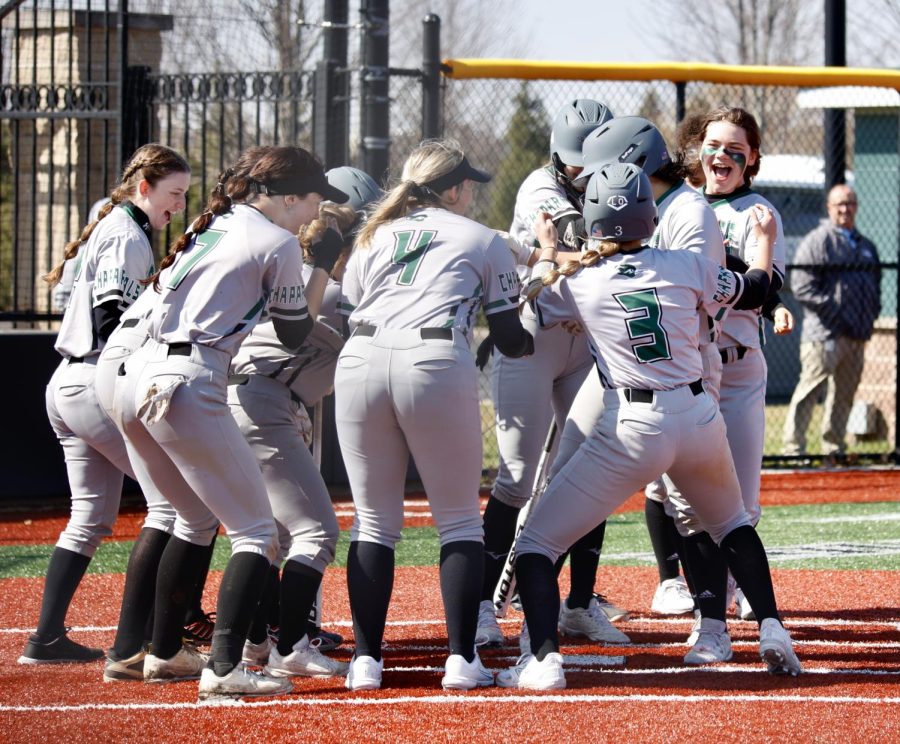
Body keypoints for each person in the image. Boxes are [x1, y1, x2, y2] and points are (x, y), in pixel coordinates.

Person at [496, 162, 801, 690]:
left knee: (536, 546)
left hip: (633, 424)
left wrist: (547, 249)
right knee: (733, 526)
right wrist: (766, 242)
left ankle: (543, 661)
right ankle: (773, 631)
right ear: (649, 212)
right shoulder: (688, 265)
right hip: (699, 414)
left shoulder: (580, 277)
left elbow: (528, 310)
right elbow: (753, 289)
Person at [111, 145, 348, 701]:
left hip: (136, 370)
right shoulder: (279, 239)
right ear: (289, 197)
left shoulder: (215, 220)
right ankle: (224, 668)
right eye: (314, 199)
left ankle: (163, 652)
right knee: (257, 531)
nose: (316, 211)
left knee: (188, 518)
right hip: (188, 375)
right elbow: (293, 333)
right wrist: (317, 266)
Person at [335, 138, 534, 691]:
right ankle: (461, 659)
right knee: (460, 521)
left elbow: (350, 306)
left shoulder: (372, 235)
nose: (470, 191)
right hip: (433, 359)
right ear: (451, 189)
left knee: (373, 522)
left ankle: (366, 662)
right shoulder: (482, 238)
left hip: (360, 360)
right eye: (467, 183)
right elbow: (512, 339)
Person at [18, 144, 191, 665]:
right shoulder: (125, 231)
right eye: (174, 193)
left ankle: (46, 639)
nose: (180, 205)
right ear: (144, 187)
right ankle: (153, 637)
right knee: (182, 502)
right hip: (94, 381)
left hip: (68, 383)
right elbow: (111, 316)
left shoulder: (114, 222)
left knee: (91, 517)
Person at [476, 99, 630, 651]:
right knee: (516, 477)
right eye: (576, 160)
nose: (581, 170)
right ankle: (480, 606)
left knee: (592, 471)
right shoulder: (539, 185)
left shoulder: (615, 178)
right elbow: (572, 237)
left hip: (586, 342)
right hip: (533, 340)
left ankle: (580, 606)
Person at [560, 115, 727, 621]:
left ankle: (712, 621)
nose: (596, 189)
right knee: (568, 475)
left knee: (692, 505)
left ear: (632, 163)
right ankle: (567, 602)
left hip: (679, 368)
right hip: (627, 364)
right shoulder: (659, 206)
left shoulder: (688, 212)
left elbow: (693, 300)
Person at [231, 170, 382, 677]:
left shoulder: (286, 271)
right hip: (266, 402)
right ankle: (292, 643)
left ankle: (257, 641)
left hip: (251, 399)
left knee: (267, 536)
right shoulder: (331, 289)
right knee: (316, 532)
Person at [675, 106, 789, 653]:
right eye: (713, 144)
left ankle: (742, 589)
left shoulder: (758, 210)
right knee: (687, 499)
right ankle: (707, 609)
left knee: (740, 499)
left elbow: (765, 287)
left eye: (734, 148)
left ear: (753, 159)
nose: (721, 155)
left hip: (738, 366)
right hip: (687, 367)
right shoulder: (679, 203)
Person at [782, 184, 881, 458]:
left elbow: (875, 287)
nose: (845, 209)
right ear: (829, 208)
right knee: (809, 391)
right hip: (824, 334)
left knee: (843, 396)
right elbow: (802, 286)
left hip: (856, 336)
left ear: (857, 207)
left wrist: (868, 317)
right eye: (839, 204)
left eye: (850, 203)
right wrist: (837, 313)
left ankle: (834, 448)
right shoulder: (818, 241)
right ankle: (793, 450)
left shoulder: (866, 246)